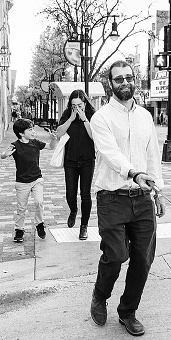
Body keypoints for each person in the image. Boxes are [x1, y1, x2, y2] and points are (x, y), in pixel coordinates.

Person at [89, 60, 167, 337]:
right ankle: (100, 295)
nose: (125, 82)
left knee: (143, 259)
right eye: (119, 79)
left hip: (143, 198)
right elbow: (110, 154)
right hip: (112, 197)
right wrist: (134, 174)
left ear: (136, 81)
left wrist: (157, 191)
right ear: (110, 83)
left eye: (129, 78)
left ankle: (128, 311)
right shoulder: (101, 118)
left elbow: (152, 156)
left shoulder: (145, 116)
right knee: (116, 254)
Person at [55, 90, 96, 240]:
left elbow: (94, 136)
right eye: (73, 105)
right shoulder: (67, 115)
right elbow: (58, 134)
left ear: (85, 103)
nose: (76, 108)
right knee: (70, 194)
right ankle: (73, 210)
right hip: (70, 160)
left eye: (79, 105)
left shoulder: (92, 115)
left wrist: (84, 118)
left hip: (87, 160)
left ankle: (84, 226)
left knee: (85, 194)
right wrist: (71, 119)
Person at [1, 118, 47, 243]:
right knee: (21, 208)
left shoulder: (35, 143)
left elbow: (50, 147)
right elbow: (3, 155)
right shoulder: (15, 145)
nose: (33, 131)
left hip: (37, 179)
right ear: (21, 133)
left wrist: (53, 139)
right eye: (30, 129)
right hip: (22, 182)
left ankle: (39, 224)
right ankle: (19, 230)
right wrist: (6, 154)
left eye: (33, 129)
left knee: (39, 202)